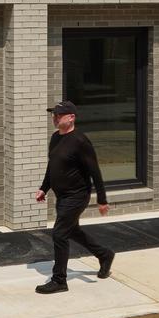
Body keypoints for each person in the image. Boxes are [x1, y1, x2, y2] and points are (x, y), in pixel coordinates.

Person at [34, 100, 113, 293]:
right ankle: (104, 254)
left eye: (58, 115)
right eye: (53, 115)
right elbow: (52, 166)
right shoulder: (55, 138)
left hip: (77, 196)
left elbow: (95, 172)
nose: (54, 118)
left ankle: (59, 280)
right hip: (62, 196)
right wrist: (44, 188)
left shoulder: (80, 141)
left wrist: (102, 200)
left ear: (71, 117)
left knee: (59, 234)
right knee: (72, 231)